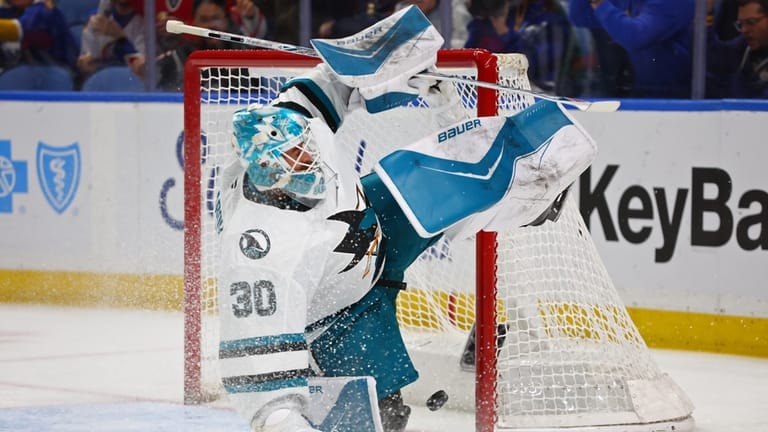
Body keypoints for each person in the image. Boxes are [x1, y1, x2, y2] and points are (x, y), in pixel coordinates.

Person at [213, 6, 597, 432]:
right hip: (339, 312)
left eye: (305, 152)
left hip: (372, 222)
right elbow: (269, 407)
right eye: (297, 164)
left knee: (472, 161)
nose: (309, 162)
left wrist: (398, 68)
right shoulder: (259, 255)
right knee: (384, 415)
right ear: (271, 180)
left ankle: (528, 191)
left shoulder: (294, 124)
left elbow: (337, 80)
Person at [568, 0, 695, 98]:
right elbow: (580, 16)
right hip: (636, 95)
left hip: (675, 102)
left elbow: (636, 37)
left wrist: (598, 1)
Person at [464, 0, 583, 96]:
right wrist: (482, 12)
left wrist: (504, 31)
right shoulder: (486, 19)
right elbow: (468, 64)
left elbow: (533, 68)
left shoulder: (548, 18)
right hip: (484, 96)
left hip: (538, 97)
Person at [707, 0, 768, 98]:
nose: (744, 30)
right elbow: (710, 56)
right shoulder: (743, 47)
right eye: (740, 24)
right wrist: (707, 15)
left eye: (751, 22)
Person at [77, 0, 146, 84]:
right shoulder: (96, 20)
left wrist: (120, 38)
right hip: (102, 85)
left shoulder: (146, 23)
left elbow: (142, 70)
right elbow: (87, 63)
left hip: (133, 88)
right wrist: (84, 65)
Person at [0, 0, 78, 74]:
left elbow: (20, 29)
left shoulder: (46, 10)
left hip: (53, 78)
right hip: (13, 79)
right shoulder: (5, 10)